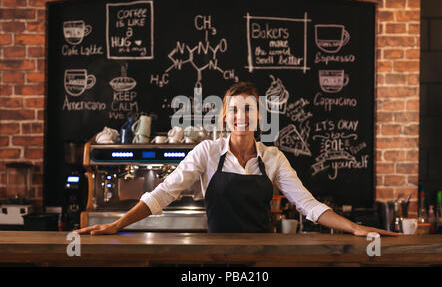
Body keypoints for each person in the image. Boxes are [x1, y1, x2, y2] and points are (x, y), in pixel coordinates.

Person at [75, 81, 398, 236]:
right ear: (225, 118)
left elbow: (308, 206)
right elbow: (163, 193)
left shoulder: (272, 158)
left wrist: (355, 228)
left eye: (248, 109)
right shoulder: (207, 152)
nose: (241, 116)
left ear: (259, 116)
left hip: (263, 256)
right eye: (234, 110)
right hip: (215, 256)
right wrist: (117, 224)